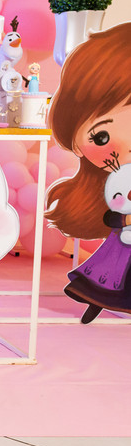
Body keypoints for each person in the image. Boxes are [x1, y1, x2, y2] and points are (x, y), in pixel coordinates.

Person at [45, 23, 131, 323]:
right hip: (123, 242)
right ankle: (96, 303)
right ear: (76, 143)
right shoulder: (115, 181)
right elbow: (114, 212)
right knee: (111, 276)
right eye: (101, 136)